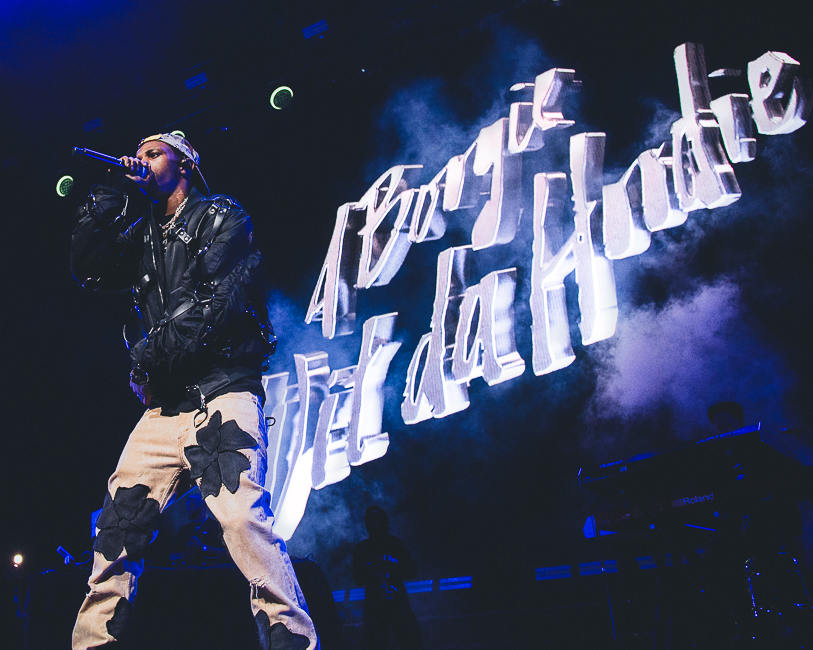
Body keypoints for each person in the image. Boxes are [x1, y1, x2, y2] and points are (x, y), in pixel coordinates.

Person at [69, 133, 317, 650]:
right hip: (165, 407)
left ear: (185, 164)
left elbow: (211, 307)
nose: (142, 159)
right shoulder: (143, 237)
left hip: (222, 391)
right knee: (117, 526)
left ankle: (291, 637)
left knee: (243, 516)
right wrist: (114, 189)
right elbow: (88, 267)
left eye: (154, 153)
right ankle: (94, 643)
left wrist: (142, 359)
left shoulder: (222, 216)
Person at [352, 506, 423, 650]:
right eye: (370, 521)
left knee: (413, 642)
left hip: (398, 604)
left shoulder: (396, 544)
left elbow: (413, 571)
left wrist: (392, 573)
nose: (374, 525)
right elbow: (357, 579)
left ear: (384, 522)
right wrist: (372, 575)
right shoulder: (361, 549)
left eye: (377, 521)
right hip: (374, 608)